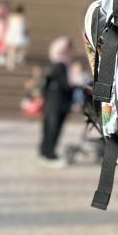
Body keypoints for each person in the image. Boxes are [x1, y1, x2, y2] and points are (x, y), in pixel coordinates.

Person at [38, 37, 74, 165]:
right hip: (59, 103)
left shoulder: (53, 64)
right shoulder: (62, 65)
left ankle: (44, 153)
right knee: (54, 129)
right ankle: (50, 155)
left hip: (50, 103)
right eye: (69, 49)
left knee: (47, 128)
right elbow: (66, 84)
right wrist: (78, 83)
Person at [4, 4, 29, 70]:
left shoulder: (10, 17)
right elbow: (25, 27)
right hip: (19, 36)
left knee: (12, 51)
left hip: (11, 35)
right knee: (21, 49)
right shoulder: (22, 17)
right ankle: (19, 60)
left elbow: (7, 25)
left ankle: (10, 64)